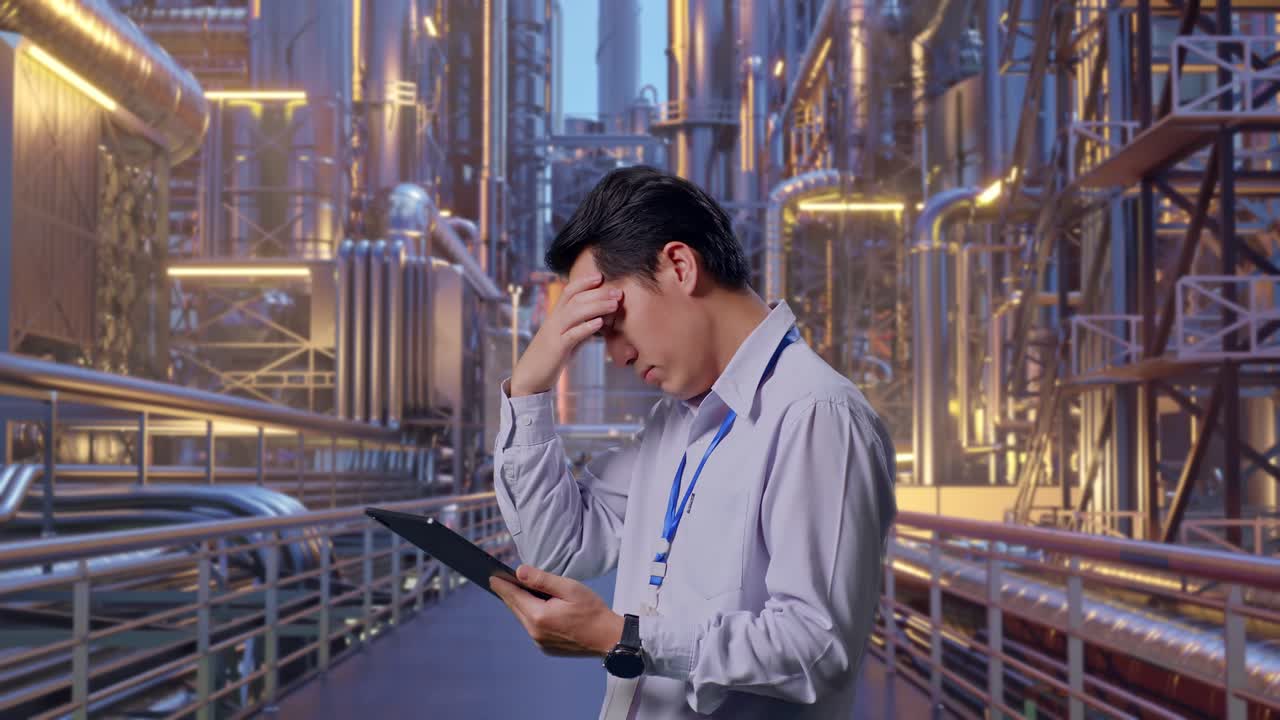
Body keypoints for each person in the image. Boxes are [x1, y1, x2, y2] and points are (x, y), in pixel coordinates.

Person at [489, 166, 898, 719]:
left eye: (612, 321)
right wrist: (531, 389)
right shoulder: (675, 426)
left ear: (679, 265)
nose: (616, 356)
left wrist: (624, 638)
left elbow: (815, 649)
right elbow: (561, 549)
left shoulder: (816, 414)